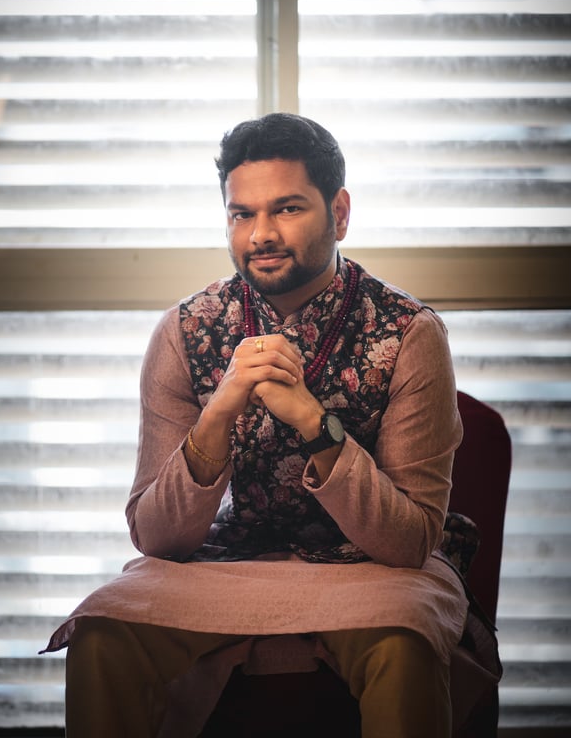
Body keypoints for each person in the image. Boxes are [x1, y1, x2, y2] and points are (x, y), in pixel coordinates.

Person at [41, 113, 480, 737]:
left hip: (372, 573)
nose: (261, 234)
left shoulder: (409, 333)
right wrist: (218, 414)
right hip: (226, 562)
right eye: (241, 214)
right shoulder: (185, 330)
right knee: (104, 633)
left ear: (340, 213)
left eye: (288, 209)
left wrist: (313, 421)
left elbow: (410, 542)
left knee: (402, 645)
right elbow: (155, 537)